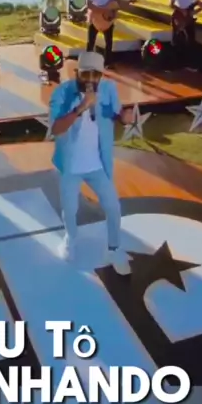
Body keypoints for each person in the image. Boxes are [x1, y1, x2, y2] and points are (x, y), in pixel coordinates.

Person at [49, 50, 131, 274]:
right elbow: (56, 129)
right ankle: (70, 240)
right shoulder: (62, 93)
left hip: (98, 164)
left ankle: (113, 248)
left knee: (113, 207)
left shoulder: (109, 89)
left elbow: (116, 113)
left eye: (96, 75)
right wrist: (81, 107)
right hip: (71, 166)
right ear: (77, 73)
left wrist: (124, 118)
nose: (91, 80)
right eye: (86, 74)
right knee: (69, 209)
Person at [170, 0, 202, 69]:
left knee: (191, 40)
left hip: (189, 17)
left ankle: (189, 64)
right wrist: (182, 10)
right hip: (179, 17)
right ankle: (175, 64)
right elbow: (171, 4)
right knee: (177, 41)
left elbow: (196, 1)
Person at [86, 0, 117, 68]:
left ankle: (108, 63)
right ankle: (87, 63)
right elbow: (89, 4)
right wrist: (102, 10)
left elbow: (114, 3)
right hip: (95, 19)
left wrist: (113, 14)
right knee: (91, 42)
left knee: (109, 42)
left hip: (107, 20)